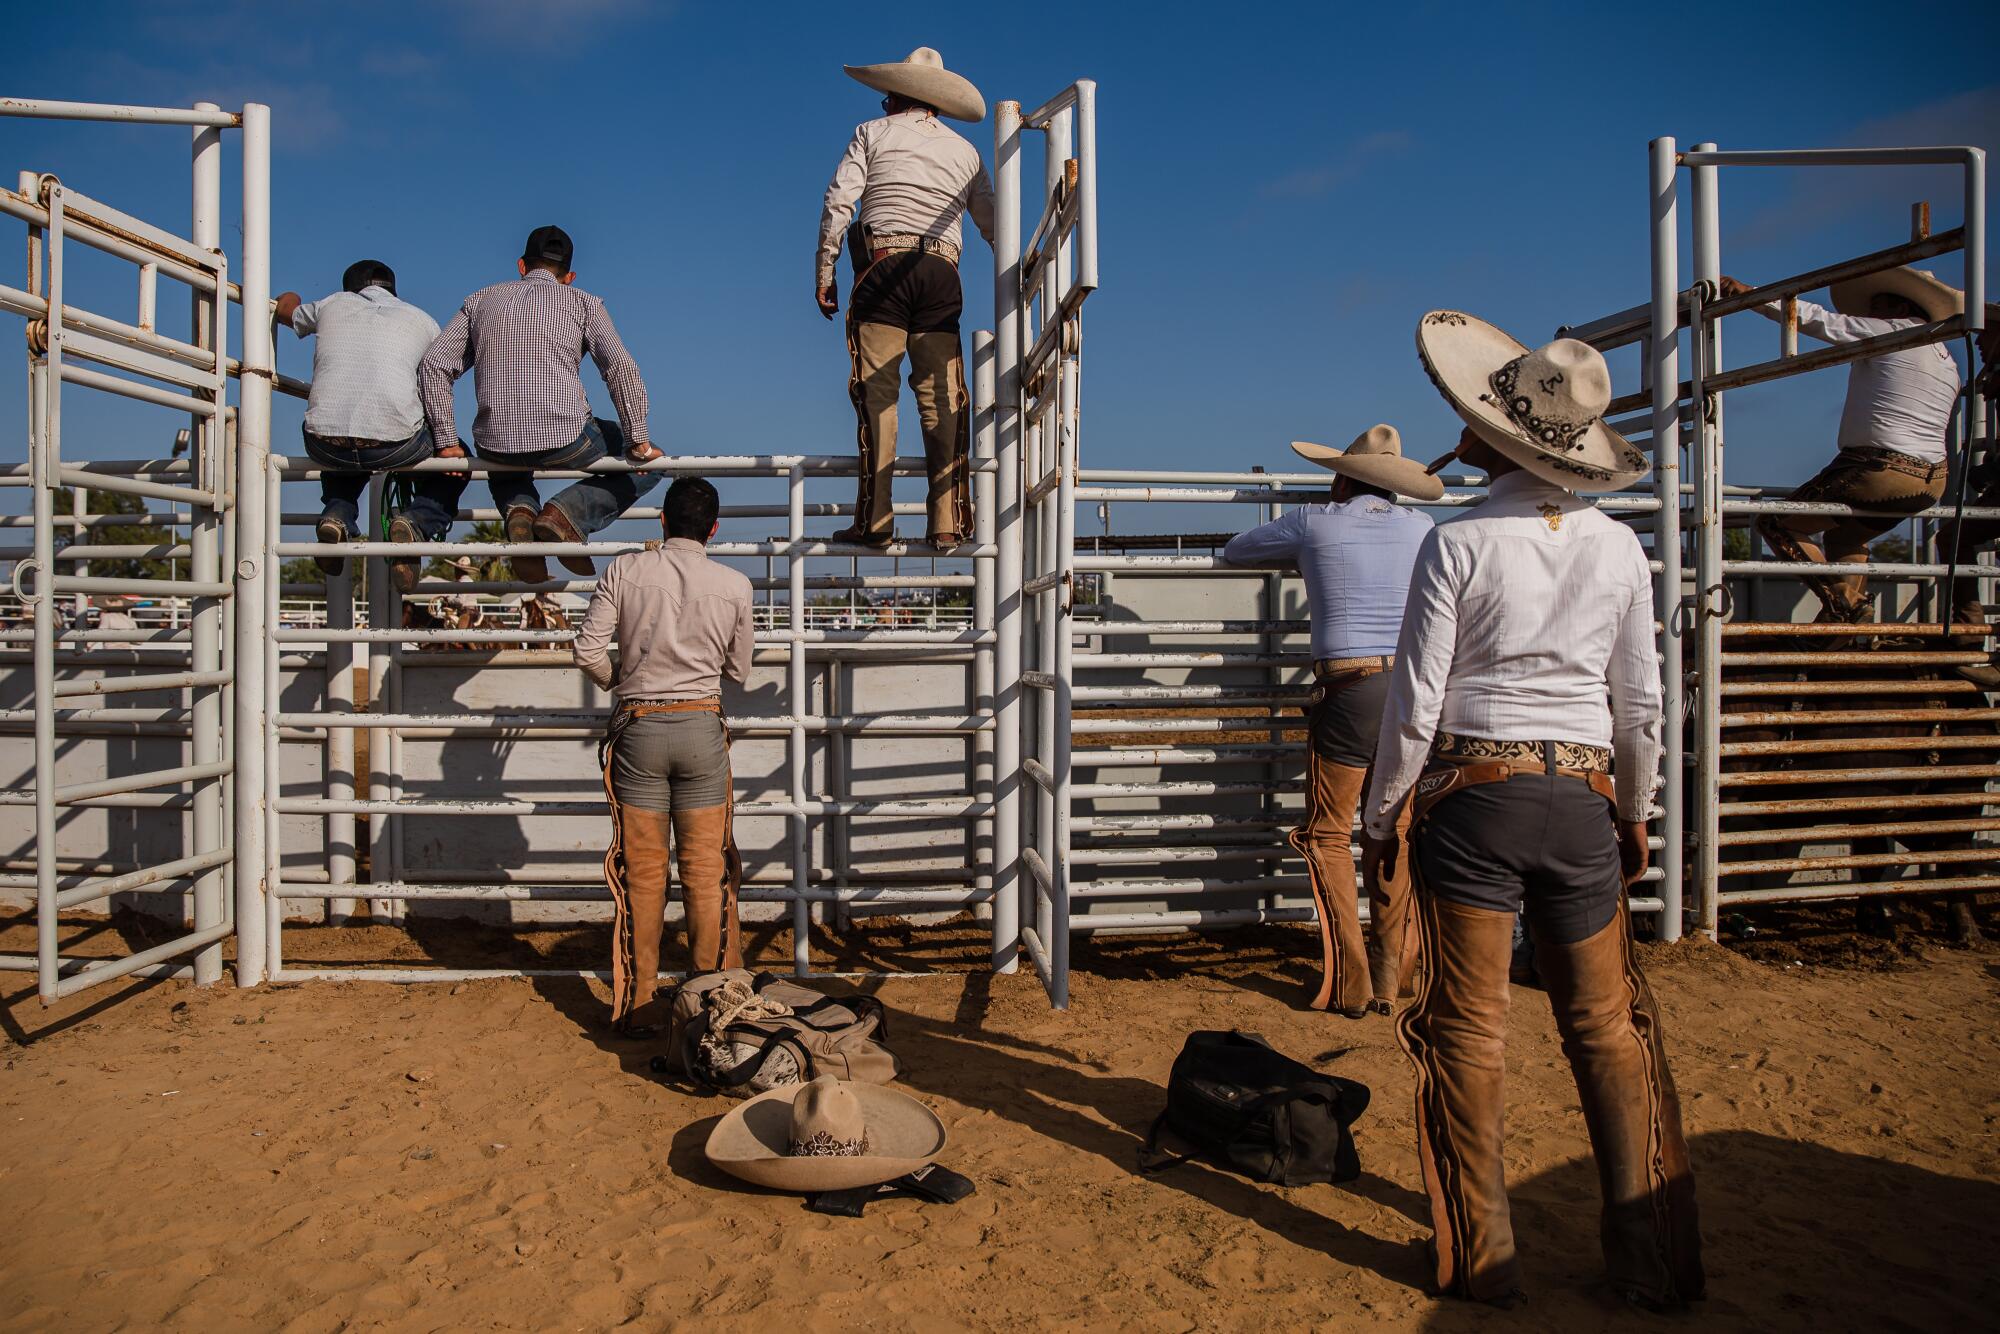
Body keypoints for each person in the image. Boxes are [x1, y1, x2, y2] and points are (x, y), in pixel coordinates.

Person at [1360, 313, 1702, 1309]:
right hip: (1582, 794)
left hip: (1473, 795)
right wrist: (1633, 810)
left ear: (1484, 435)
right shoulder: (1617, 548)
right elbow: (1639, 699)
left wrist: (1383, 817)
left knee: (1467, 1028)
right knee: (1605, 1025)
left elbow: (1415, 696)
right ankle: (1645, 1260)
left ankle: (1484, 1257)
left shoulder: (1454, 540)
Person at [1221, 425, 1440, 1018]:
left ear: (1343, 478)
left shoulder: (1315, 521)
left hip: (1350, 688)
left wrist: (1306, 561)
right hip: (1416, 691)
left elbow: (1236, 550)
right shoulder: (1425, 531)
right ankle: (1398, 970)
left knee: (1327, 833)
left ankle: (1351, 979)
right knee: (1393, 827)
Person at [572, 477, 755, 1034]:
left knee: (642, 875)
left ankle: (637, 1004)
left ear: (662, 522)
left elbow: (586, 649)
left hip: (639, 729)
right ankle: (714, 1002)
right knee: (707, 872)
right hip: (701, 727)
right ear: (714, 529)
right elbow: (740, 670)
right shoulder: (734, 584)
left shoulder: (625, 570)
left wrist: (620, 680)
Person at [817, 48, 995, 549]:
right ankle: (948, 521)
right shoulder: (966, 152)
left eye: (886, 97)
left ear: (898, 96)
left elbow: (839, 203)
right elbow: (993, 224)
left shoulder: (872, 134)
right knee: (942, 399)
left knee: (878, 397)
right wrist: (1020, 285)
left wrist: (825, 270)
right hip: (941, 271)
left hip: (884, 267)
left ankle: (875, 522)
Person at [419, 226, 663, 585]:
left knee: (506, 459)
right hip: (567, 438)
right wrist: (637, 437)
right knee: (651, 466)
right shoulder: (583, 302)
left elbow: (434, 364)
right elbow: (619, 367)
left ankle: (520, 510)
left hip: (494, 441)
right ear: (569, 276)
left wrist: (445, 439)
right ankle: (567, 515)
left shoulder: (480, 300)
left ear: (521, 265)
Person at [1720, 266, 1964, 624]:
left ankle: (1849, 608)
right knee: (1844, 539)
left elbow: (1824, 321)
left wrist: (1750, 295)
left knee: (1777, 522)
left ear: (1899, 309)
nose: (1867, 316)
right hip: (1931, 480)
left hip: (1879, 468)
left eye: (1875, 307)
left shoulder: (1895, 332)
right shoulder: (1949, 362)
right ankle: (1841, 631)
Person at [276, 260, 466, 591]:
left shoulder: (332, 304)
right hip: (394, 446)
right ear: (393, 289)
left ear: (351, 288)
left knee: (340, 440)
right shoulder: (422, 320)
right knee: (456, 462)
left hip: (323, 441)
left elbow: (286, 310)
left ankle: (337, 514)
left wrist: (290, 294)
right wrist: (448, 441)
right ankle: (416, 521)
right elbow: (436, 377)